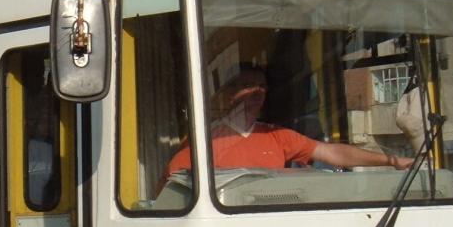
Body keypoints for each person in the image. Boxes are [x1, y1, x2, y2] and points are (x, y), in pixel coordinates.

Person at [163, 64, 412, 184]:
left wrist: (392, 161)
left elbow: (332, 152)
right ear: (228, 94)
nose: (257, 92)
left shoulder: (278, 136)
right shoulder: (206, 140)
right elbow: (173, 188)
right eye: (248, 85)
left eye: (262, 86)